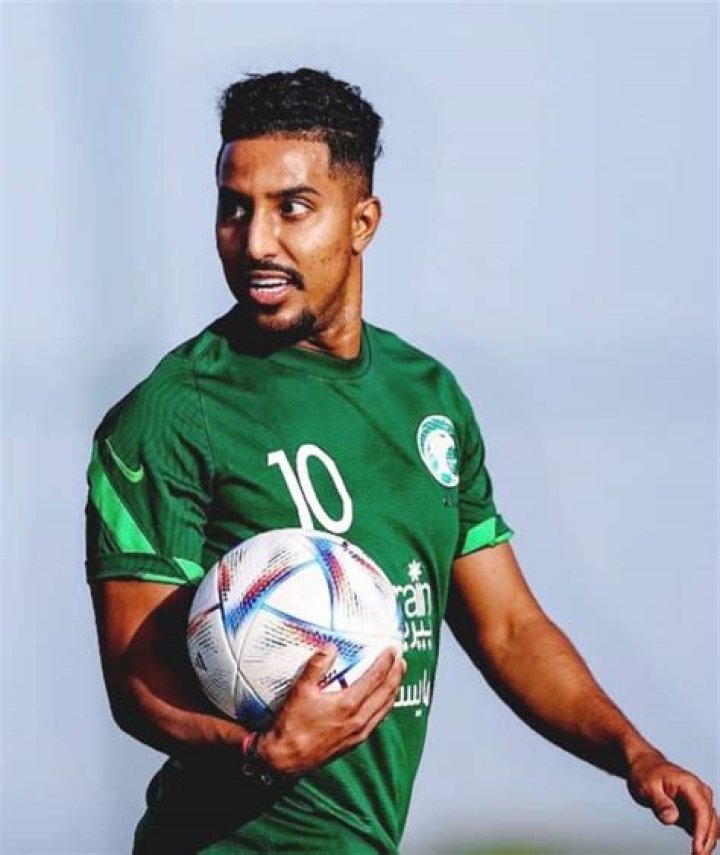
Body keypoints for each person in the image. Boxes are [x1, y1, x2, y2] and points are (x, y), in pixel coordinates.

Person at [86, 68, 717, 855]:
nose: (256, 242)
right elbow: (137, 679)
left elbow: (510, 629)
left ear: (363, 221)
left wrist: (633, 752)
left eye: (292, 207)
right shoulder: (172, 412)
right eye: (234, 208)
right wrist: (259, 751)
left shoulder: (428, 400)